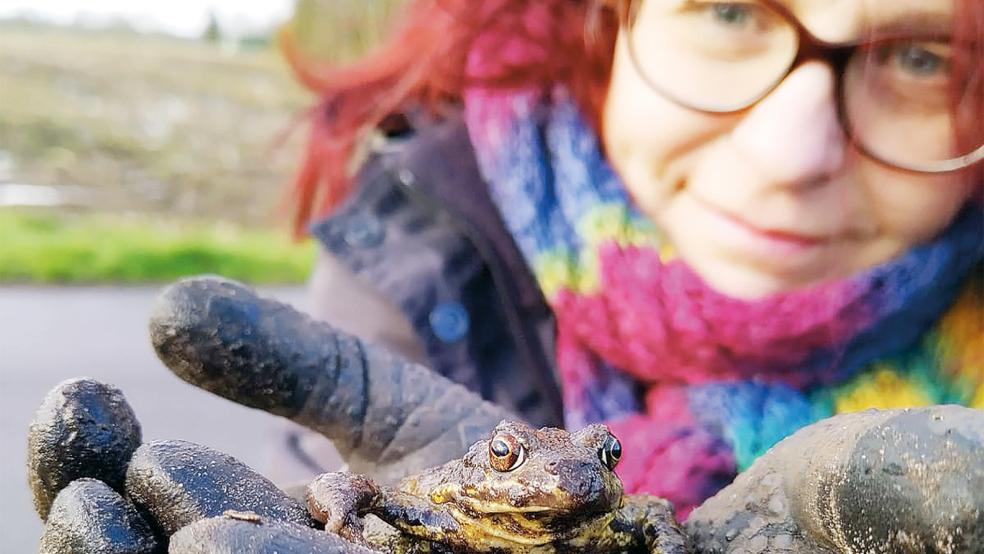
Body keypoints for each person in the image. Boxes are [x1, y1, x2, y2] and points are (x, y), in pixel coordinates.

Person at [273, 0, 983, 517]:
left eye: (923, 57)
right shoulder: (424, 245)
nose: (788, 156)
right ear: (603, 19)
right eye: (729, 13)